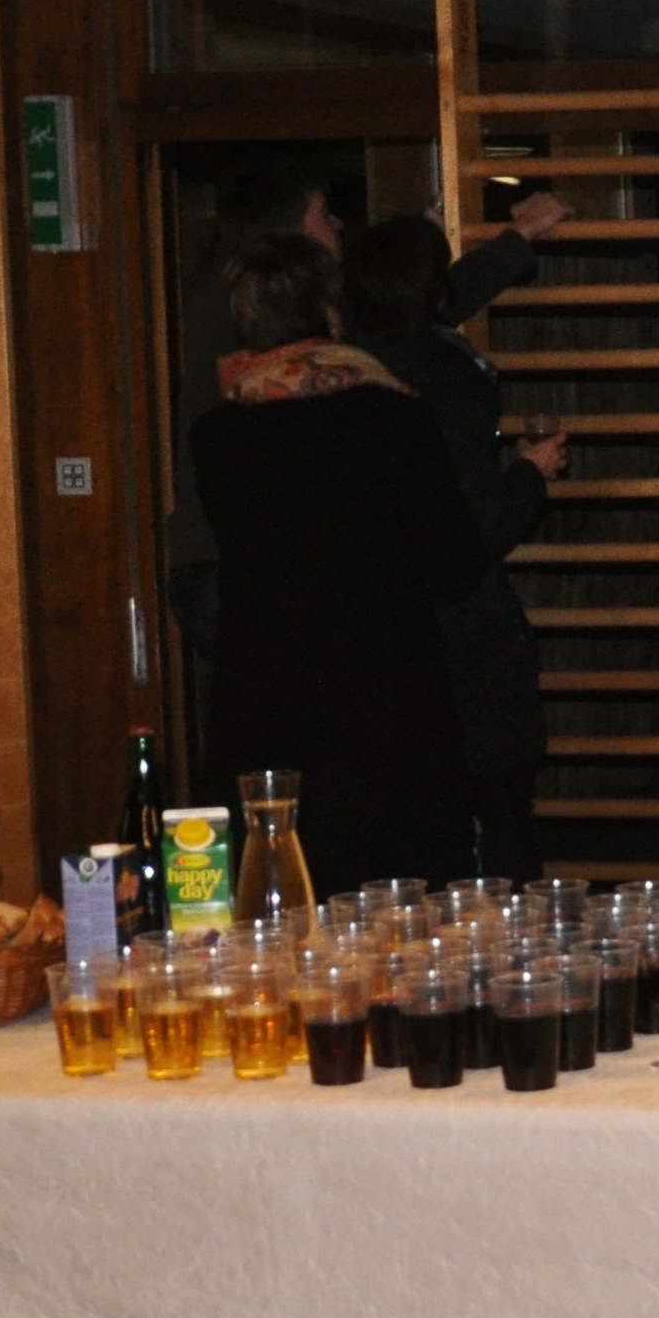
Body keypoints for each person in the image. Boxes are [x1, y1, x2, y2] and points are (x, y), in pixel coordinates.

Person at [187, 233, 490, 893]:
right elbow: (455, 565)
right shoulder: (392, 414)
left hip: (266, 704)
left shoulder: (217, 436)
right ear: (331, 313)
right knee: (400, 912)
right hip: (386, 701)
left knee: (281, 903)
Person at [164, 162, 569, 649]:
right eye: (322, 213)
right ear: (290, 234)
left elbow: (400, 306)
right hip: (246, 568)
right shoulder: (279, 316)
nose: (337, 224)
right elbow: (401, 308)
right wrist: (515, 238)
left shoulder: (241, 303)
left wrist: (465, 226)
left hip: (222, 562)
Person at [342, 216, 566, 877]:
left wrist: (515, 242)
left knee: (412, 836)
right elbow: (478, 530)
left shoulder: (342, 367)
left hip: (378, 637)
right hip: (462, 637)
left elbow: (422, 307)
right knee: (501, 822)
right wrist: (529, 473)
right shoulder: (447, 381)